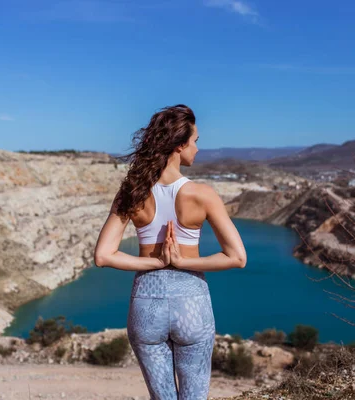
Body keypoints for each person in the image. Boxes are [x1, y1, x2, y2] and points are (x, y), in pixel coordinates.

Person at [93, 104, 247, 399]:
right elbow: (237, 257)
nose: (198, 149)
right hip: (191, 302)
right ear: (179, 144)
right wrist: (181, 260)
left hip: (146, 302)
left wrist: (155, 263)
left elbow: (103, 256)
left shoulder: (132, 192)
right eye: (195, 141)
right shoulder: (202, 194)